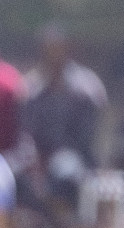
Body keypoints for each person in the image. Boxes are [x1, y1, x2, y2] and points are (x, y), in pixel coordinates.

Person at [19, 22, 108, 216]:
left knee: (64, 169)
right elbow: (26, 132)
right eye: (48, 48)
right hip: (38, 161)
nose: (53, 53)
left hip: (76, 162)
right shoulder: (33, 88)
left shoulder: (85, 87)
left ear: (68, 48)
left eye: (58, 47)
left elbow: (87, 139)